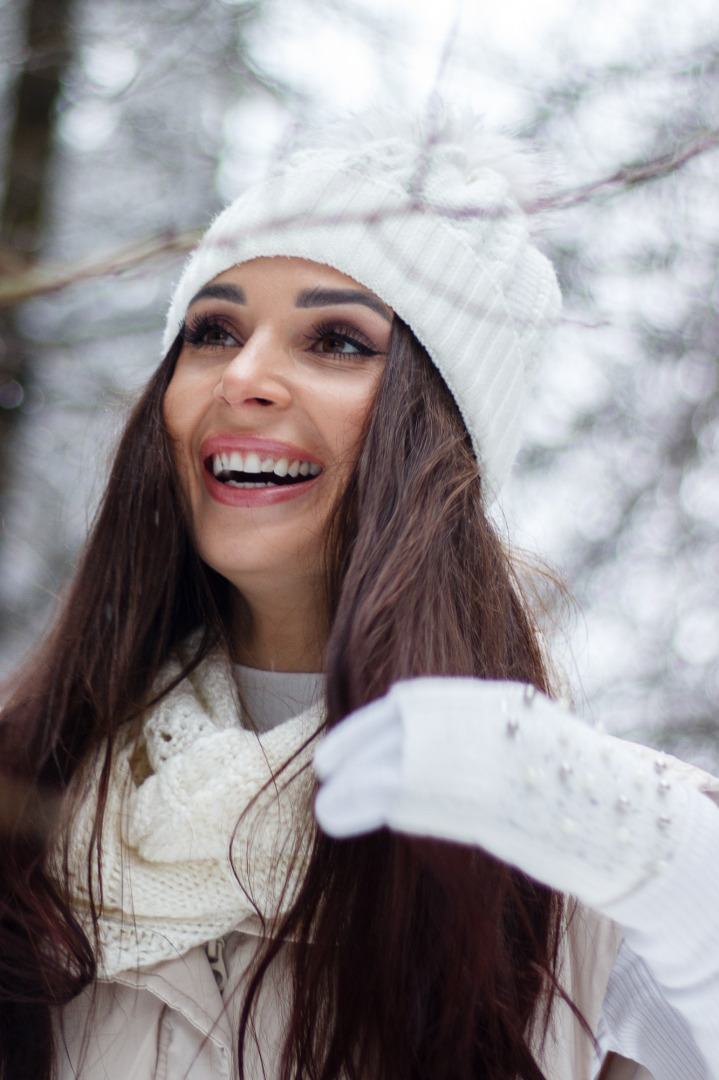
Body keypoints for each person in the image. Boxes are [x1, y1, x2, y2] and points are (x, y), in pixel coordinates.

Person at [0, 112, 718, 1080]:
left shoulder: (575, 850)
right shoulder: (25, 792)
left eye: (335, 341)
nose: (243, 377)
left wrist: (659, 860)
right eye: (211, 332)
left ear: (436, 436)